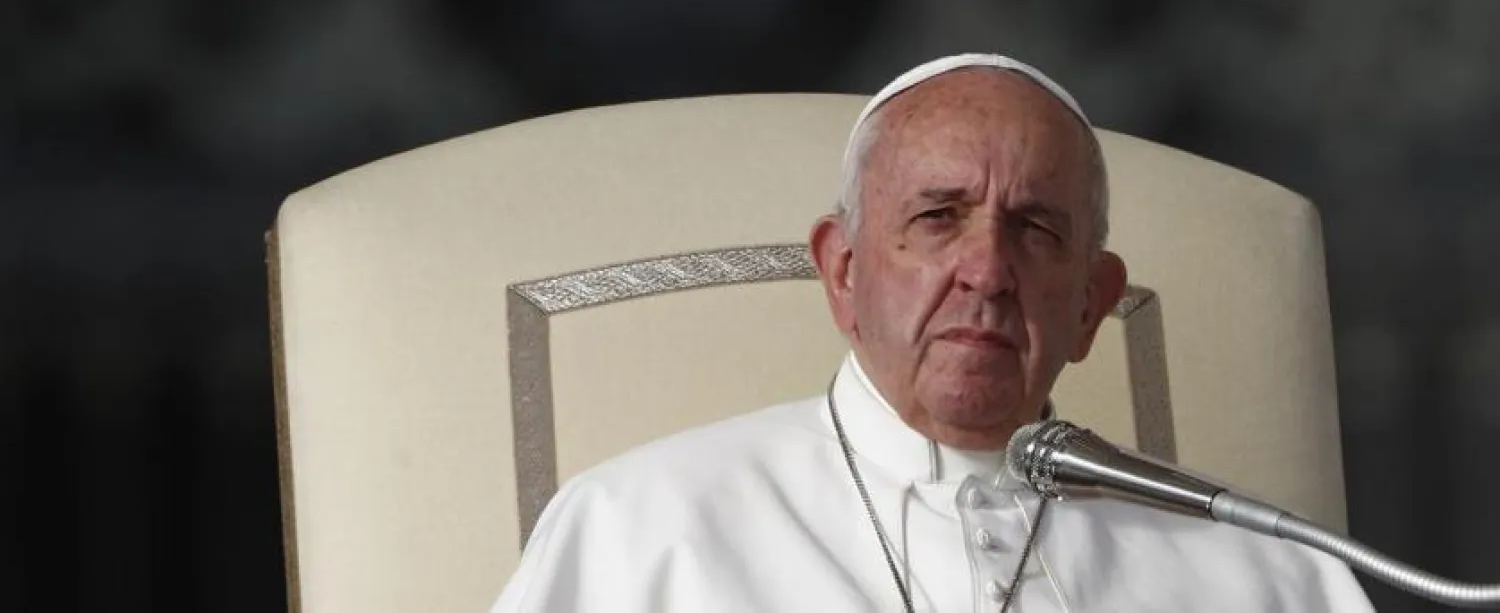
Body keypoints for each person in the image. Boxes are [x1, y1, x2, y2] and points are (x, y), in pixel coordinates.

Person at [491, 53, 1374, 611]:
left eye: (1036, 229)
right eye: (939, 217)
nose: (987, 271)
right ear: (842, 271)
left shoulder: (1264, 571)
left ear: (1090, 306)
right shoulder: (638, 532)